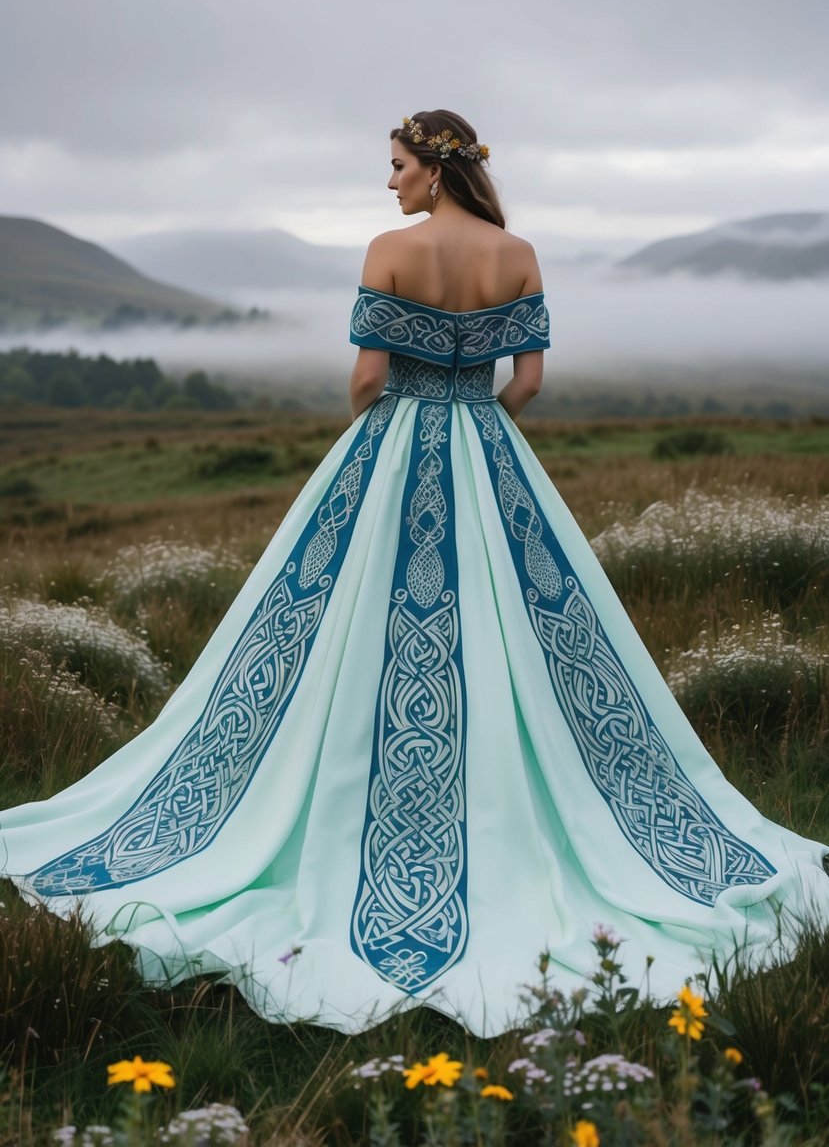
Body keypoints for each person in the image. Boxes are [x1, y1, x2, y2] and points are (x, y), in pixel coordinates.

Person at [2, 109, 828, 1039]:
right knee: (524, 625)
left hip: (393, 445)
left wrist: (394, 411)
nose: (388, 182)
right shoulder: (517, 254)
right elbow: (531, 383)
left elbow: (364, 380)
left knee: (334, 626)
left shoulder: (388, 250)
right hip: (486, 444)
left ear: (434, 171)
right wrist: (478, 419)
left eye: (395, 166)